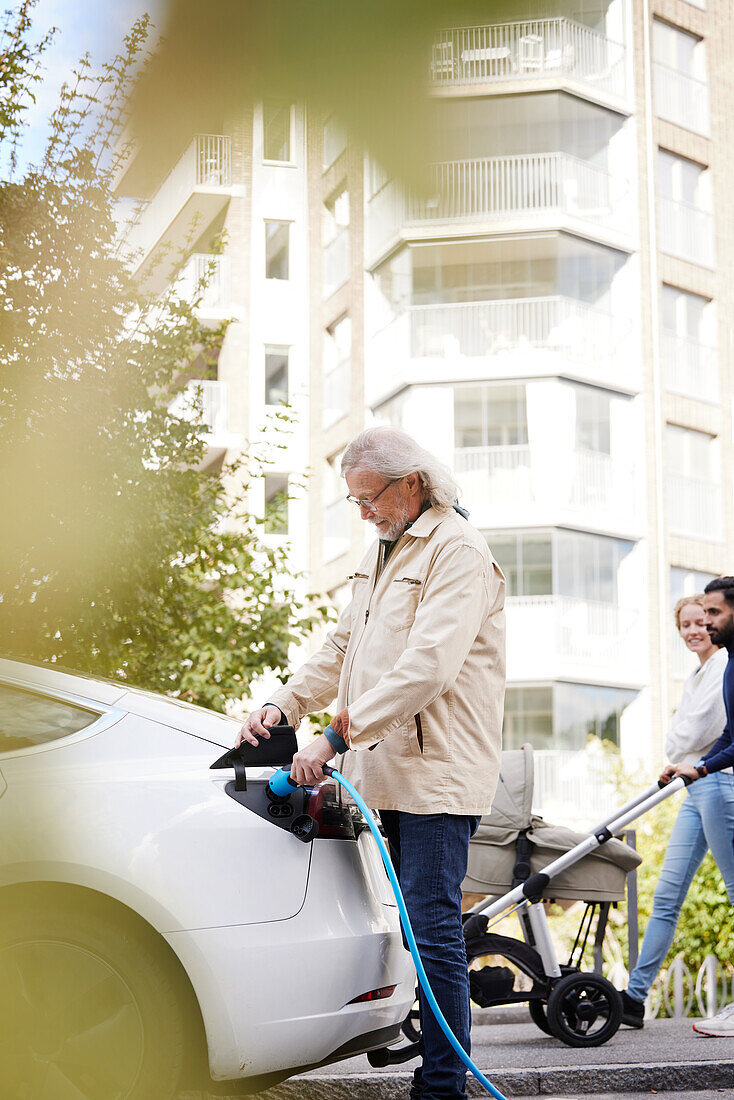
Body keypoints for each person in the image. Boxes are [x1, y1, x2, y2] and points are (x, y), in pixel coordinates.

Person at [236, 427, 506, 1100]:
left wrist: (334, 735)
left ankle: (442, 1086)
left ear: (410, 482)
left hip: (434, 774)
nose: (361, 512)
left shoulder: (459, 552)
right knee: (411, 928)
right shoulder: (384, 549)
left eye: (367, 499)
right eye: (353, 501)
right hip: (384, 768)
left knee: (433, 928)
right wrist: (284, 706)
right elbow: (342, 646)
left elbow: (427, 667)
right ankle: (431, 1063)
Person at [620, 590, 734, 1029]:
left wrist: (684, 750)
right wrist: (681, 749)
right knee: (667, 894)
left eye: (702, 620)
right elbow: (678, 738)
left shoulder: (723, 665)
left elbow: (701, 730)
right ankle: (633, 997)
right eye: (685, 624)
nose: (695, 629)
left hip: (717, 782)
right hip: (695, 786)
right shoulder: (696, 675)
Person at [659, 576, 734, 1038]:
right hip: (708, 779)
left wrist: (700, 769)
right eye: (696, 617)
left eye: (712, 614)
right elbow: (728, 739)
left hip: (719, 787)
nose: (704, 623)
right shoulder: (725, 670)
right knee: (669, 893)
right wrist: (695, 767)